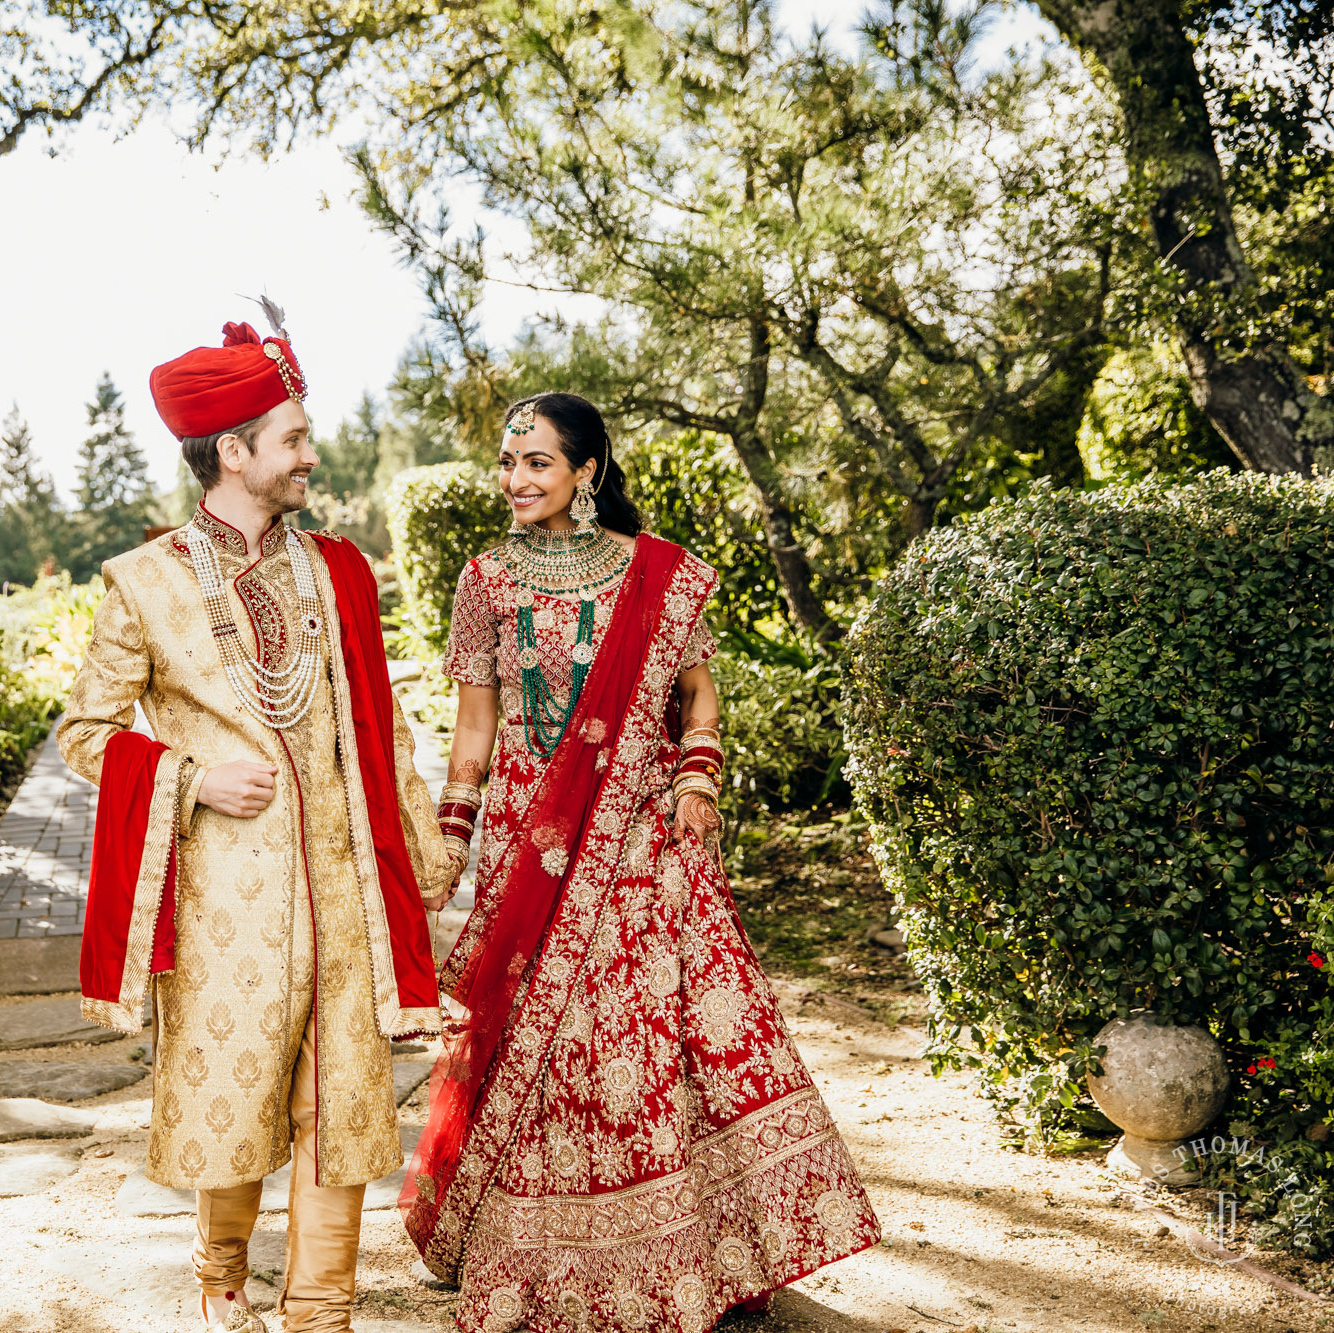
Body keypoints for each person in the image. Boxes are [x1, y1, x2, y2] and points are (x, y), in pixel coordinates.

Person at [400, 392, 879, 1332]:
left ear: (588, 472)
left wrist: (697, 779)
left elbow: (699, 702)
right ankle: (531, 1252)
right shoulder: (486, 578)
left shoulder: (655, 575)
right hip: (533, 846)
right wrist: (453, 839)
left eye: (537, 461)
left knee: (673, 1034)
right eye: (508, 461)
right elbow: (473, 734)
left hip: (644, 838)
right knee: (544, 1046)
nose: (516, 479)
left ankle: (709, 1253)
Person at [59, 311, 457, 1333]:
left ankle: (319, 1314)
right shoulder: (140, 584)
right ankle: (221, 1286)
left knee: (344, 1109)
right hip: (222, 903)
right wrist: (188, 778)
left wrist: (427, 853)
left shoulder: (336, 570)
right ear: (231, 450)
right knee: (231, 1105)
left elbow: (379, 722)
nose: (308, 455)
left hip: (342, 893)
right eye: (290, 438)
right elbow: (85, 734)